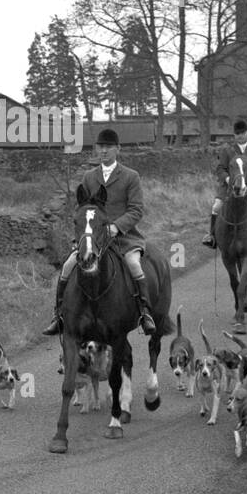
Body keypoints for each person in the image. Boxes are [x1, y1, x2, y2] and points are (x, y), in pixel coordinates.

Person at [42, 127, 157, 337]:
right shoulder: (89, 176)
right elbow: (83, 209)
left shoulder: (131, 176)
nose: (103, 151)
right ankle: (58, 315)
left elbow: (136, 209)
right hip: (93, 238)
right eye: (100, 147)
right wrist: (83, 235)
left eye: (108, 147)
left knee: (133, 264)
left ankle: (144, 312)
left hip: (123, 237)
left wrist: (116, 227)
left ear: (118, 149)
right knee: (67, 267)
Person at [203, 118, 247, 249]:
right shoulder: (227, 150)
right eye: (237, 134)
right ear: (234, 135)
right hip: (229, 187)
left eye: (242, 133)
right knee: (216, 207)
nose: (240, 136)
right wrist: (226, 178)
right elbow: (220, 168)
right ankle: (212, 236)